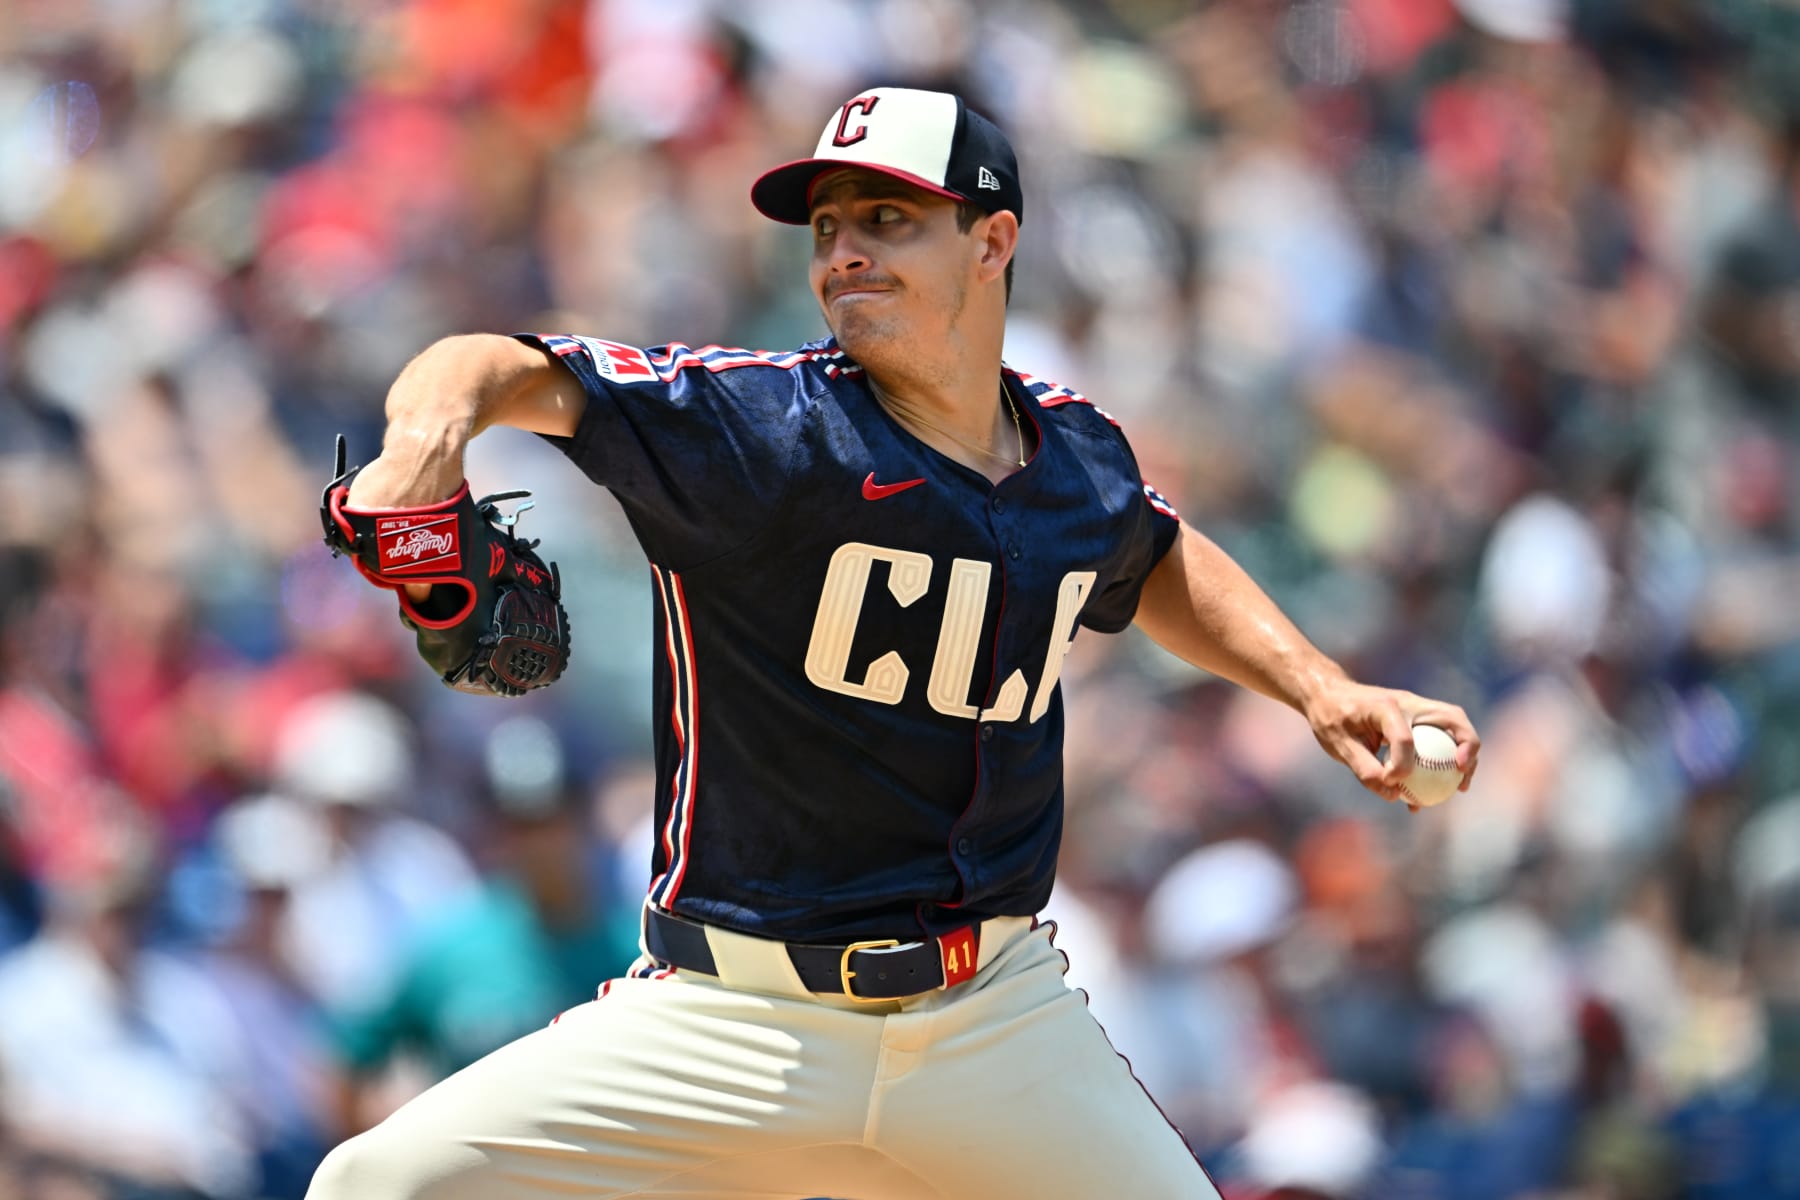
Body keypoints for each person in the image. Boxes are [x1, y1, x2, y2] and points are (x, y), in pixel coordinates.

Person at [306, 87, 1481, 1200]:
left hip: (992, 1021)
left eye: (888, 218)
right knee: (374, 1184)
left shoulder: (1074, 460)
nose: (843, 253)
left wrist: (1320, 688)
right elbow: (502, 365)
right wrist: (423, 447)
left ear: (992, 240)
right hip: (738, 1019)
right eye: (826, 228)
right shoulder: (763, 433)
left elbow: (1150, 556)